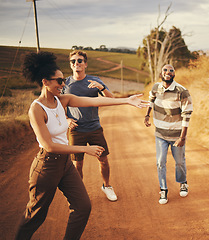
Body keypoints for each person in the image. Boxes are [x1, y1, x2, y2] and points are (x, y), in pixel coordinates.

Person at [15, 51, 148, 240]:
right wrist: (85, 149)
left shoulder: (63, 100)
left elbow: (94, 100)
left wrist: (126, 100)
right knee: (35, 215)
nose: (63, 85)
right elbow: (49, 145)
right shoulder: (36, 109)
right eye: (59, 81)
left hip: (65, 166)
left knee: (83, 207)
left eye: (63, 81)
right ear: (45, 82)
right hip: (47, 166)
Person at [62, 50, 117, 201]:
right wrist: (66, 119)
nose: (76, 63)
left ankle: (107, 186)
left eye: (79, 61)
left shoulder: (94, 80)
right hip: (76, 130)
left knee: (103, 160)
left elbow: (111, 99)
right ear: (70, 65)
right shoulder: (65, 83)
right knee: (77, 164)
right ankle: (80, 193)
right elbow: (59, 105)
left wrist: (101, 88)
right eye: (73, 61)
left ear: (85, 64)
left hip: (94, 128)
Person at [144, 64, 193, 205]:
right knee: (160, 162)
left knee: (179, 161)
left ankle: (183, 182)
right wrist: (147, 115)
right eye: (165, 70)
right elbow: (151, 100)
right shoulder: (155, 87)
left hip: (177, 135)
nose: (168, 72)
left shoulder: (182, 91)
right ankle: (163, 190)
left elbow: (187, 114)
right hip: (160, 133)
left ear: (174, 74)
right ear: (161, 72)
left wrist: (182, 137)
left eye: (171, 70)